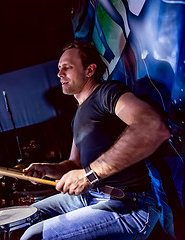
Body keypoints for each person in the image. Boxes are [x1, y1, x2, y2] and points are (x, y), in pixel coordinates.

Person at [21, 41, 170, 240]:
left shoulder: (107, 93)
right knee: (28, 215)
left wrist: (89, 175)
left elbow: (151, 126)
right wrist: (48, 169)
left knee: (34, 236)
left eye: (67, 67)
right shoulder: (78, 115)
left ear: (90, 70)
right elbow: (74, 164)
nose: (60, 74)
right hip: (91, 196)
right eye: (59, 69)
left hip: (130, 205)